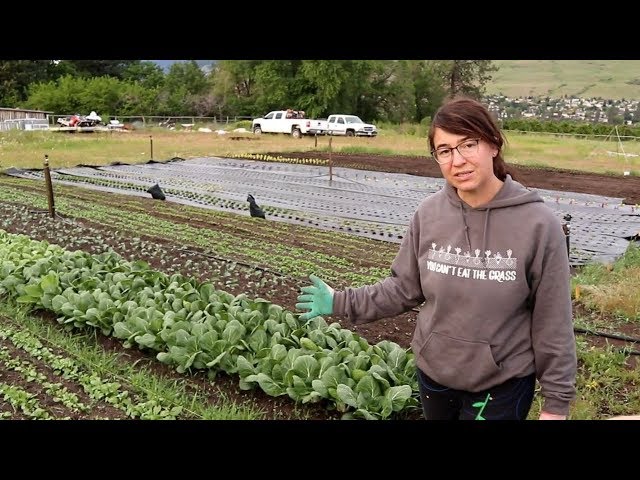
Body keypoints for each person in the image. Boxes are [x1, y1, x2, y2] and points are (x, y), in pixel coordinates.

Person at [296, 96, 577, 420]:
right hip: (435, 376)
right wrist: (340, 301)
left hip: (501, 385)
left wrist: (557, 404)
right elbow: (403, 288)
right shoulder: (429, 214)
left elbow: (553, 319)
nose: (458, 160)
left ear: (494, 145)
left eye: (469, 144)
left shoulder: (539, 225)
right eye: (445, 151)